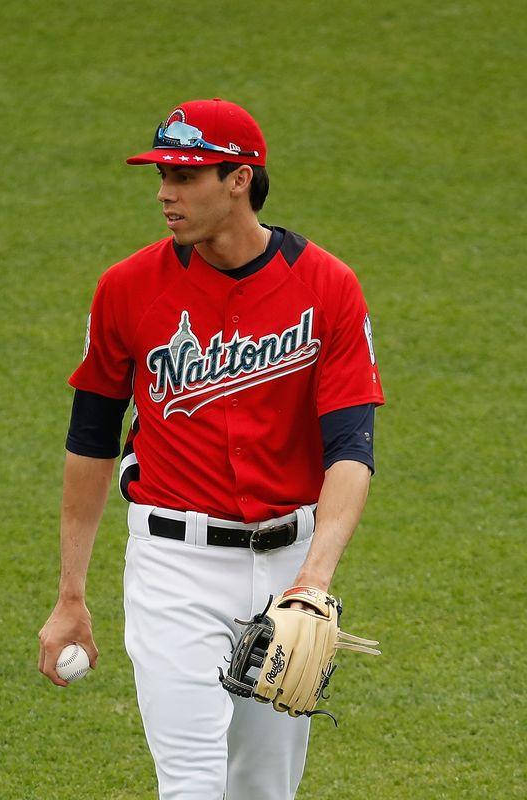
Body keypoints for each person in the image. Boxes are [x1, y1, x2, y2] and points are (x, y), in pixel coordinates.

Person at [37, 98, 384, 799]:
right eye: (163, 173)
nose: (166, 192)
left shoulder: (329, 287)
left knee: (263, 789)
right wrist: (71, 592)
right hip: (175, 570)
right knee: (191, 784)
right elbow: (90, 441)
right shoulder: (126, 289)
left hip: (290, 565)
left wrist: (313, 578)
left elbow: (351, 447)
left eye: (187, 175)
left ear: (240, 179)